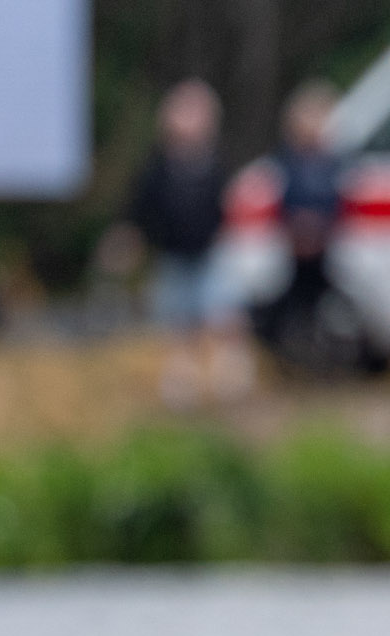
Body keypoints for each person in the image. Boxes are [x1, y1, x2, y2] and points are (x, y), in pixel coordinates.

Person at [124, 79, 246, 405]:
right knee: (179, 326)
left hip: (211, 254)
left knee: (223, 317)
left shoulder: (217, 164)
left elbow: (231, 209)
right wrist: (131, 242)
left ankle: (229, 380)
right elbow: (139, 212)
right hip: (172, 256)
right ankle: (182, 386)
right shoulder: (158, 168)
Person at [258, 81, 347, 369]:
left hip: (326, 249)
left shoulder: (334, 162)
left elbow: (340, 203)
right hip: (292, 251)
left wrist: (321, 227)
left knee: (328, 307)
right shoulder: (285, 162)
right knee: (288, 306)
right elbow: (278, 202)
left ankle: (325, 359)